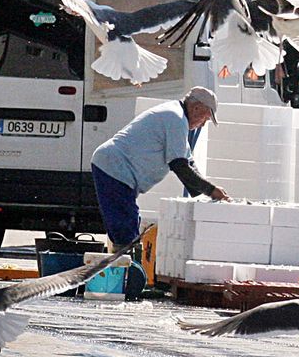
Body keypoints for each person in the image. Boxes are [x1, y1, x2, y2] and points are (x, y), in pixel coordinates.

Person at [90, 86, 227, 248]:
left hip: (117, 170)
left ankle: (123, 257)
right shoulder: (175, 119)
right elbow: (179, 165)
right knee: (125, 229)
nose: (202, 125)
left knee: (128, 225)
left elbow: (189, 165)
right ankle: (124, 260)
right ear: (196, 108)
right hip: (114, 168)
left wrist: (204, 198)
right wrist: (211, 190)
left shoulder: (178, 118)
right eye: (205, 118)